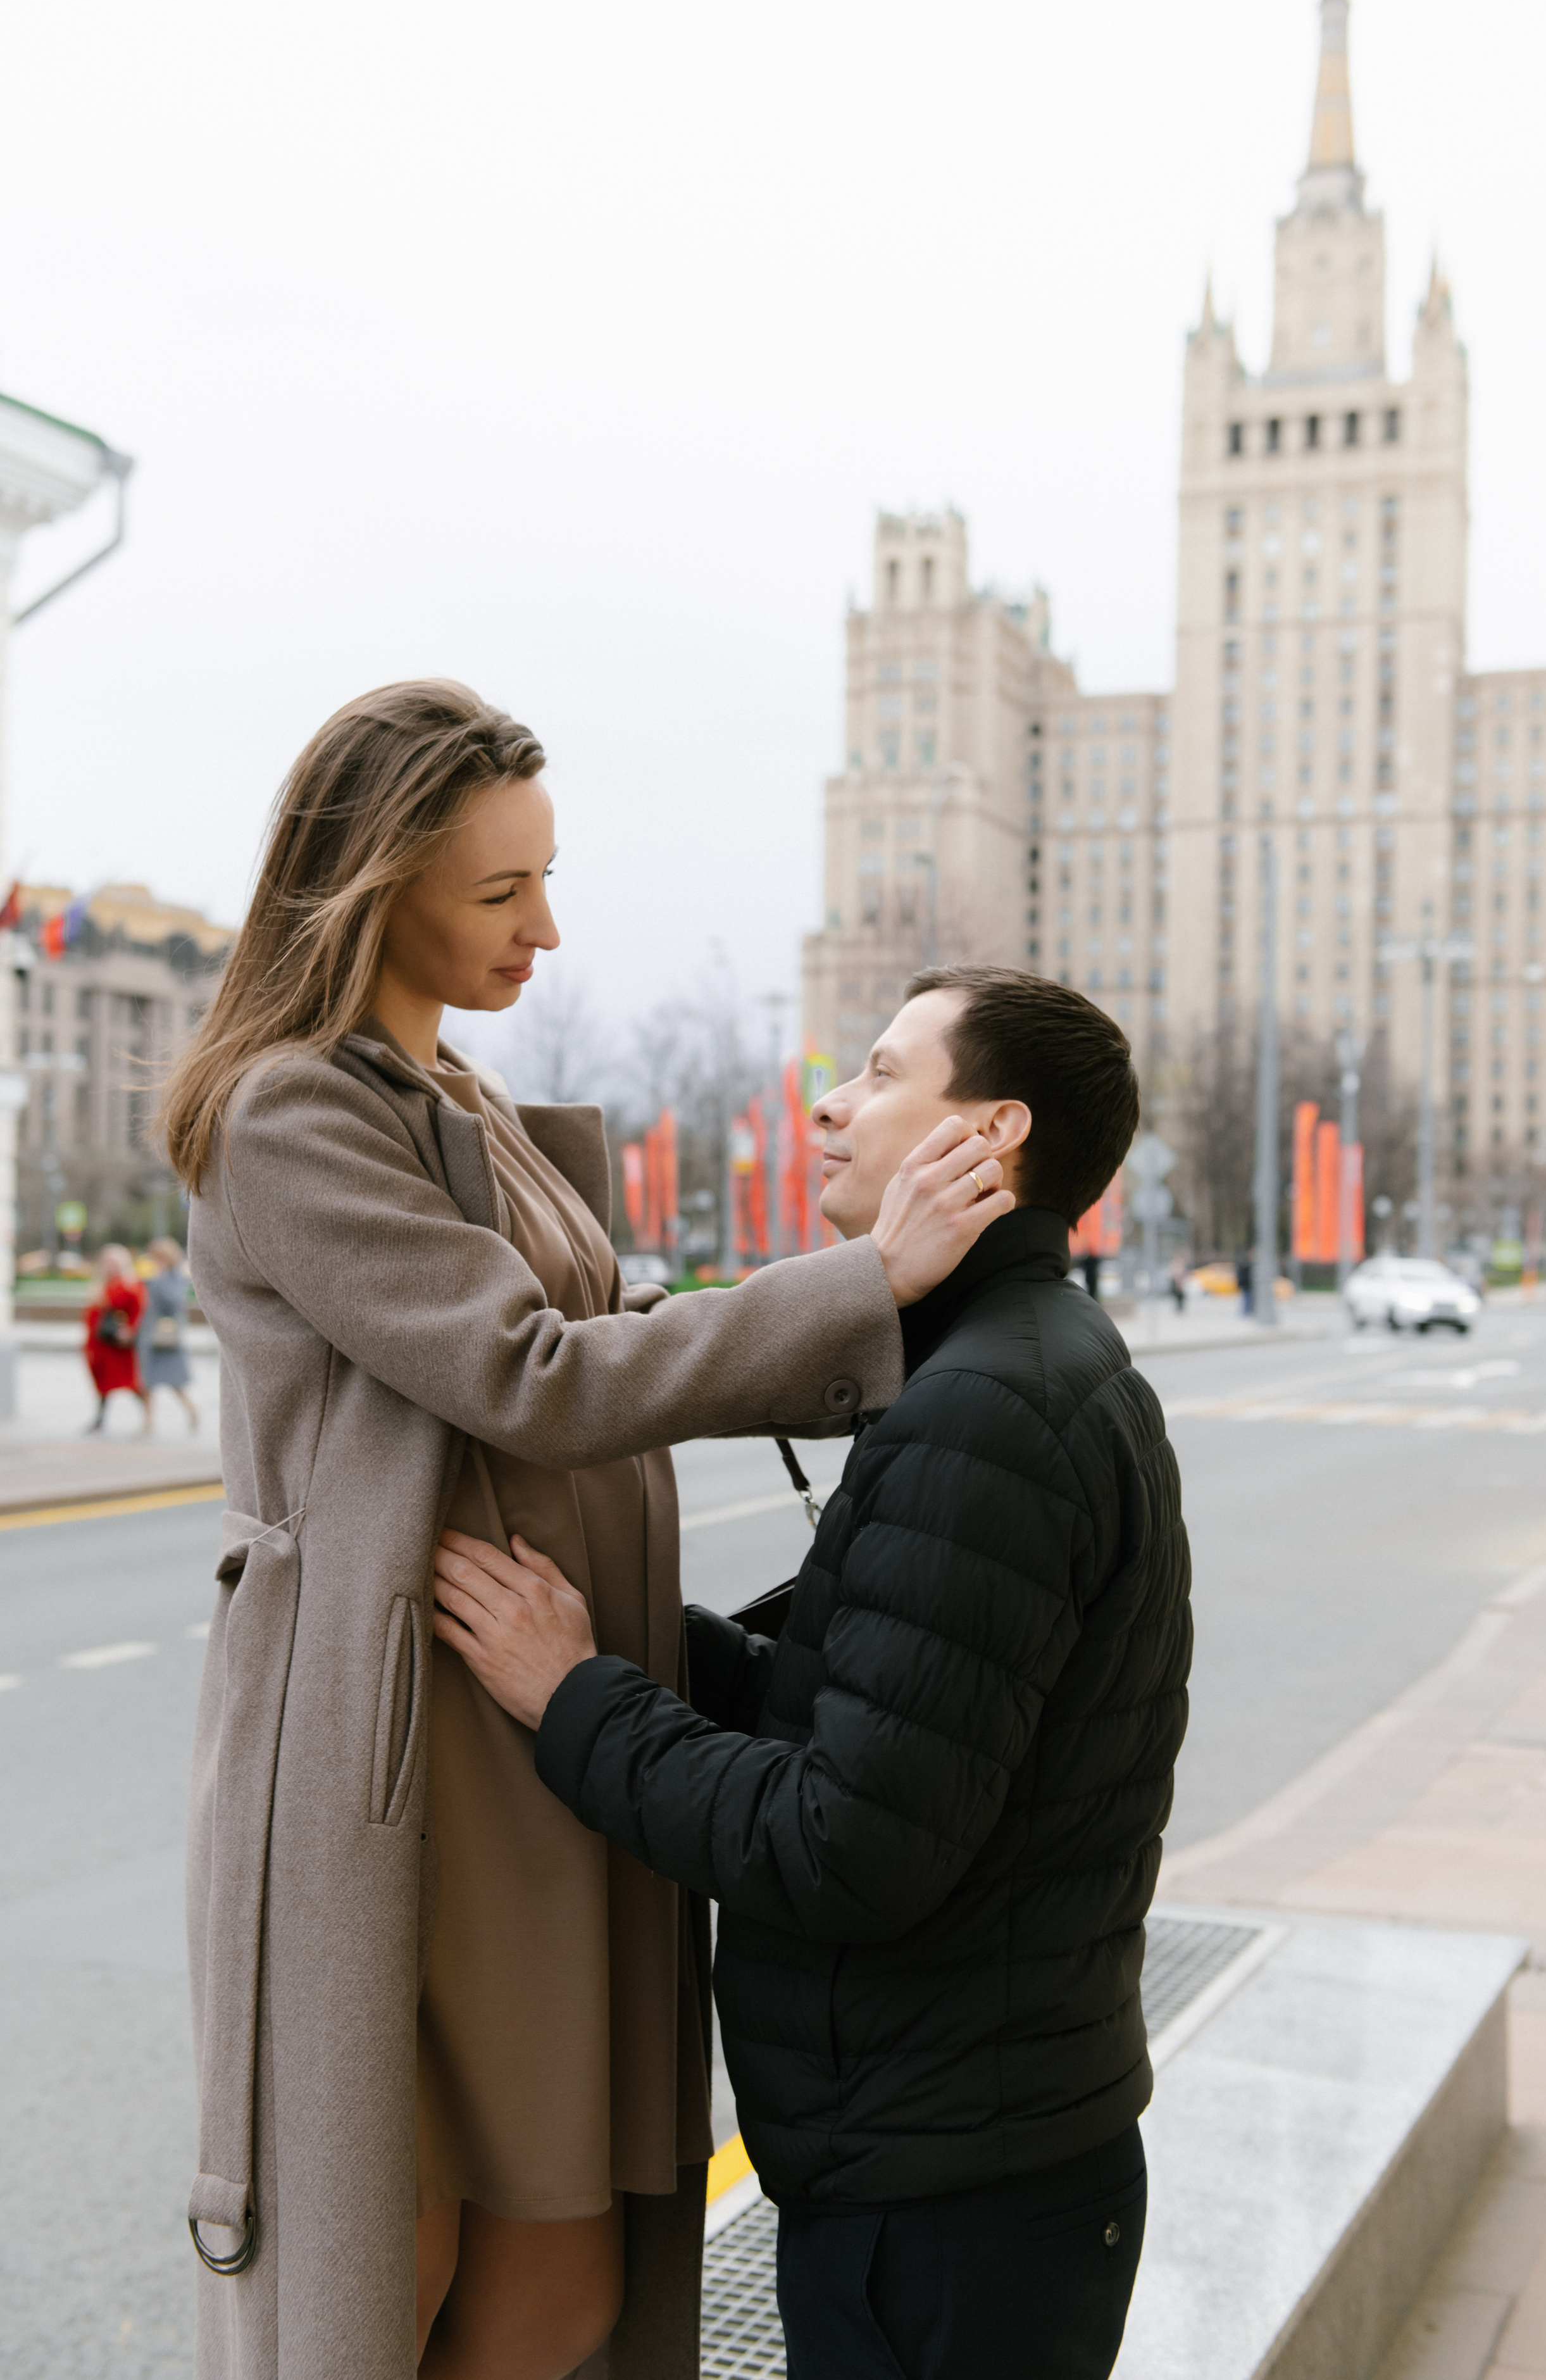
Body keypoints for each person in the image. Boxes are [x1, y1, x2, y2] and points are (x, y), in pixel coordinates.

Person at [161, 679, 1007, 2380]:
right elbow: (529, 1372)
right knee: (382, 2260)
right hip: (392, 1762)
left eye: (546, 877)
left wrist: (858, 1309)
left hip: (538, 1732)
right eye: (500, 893)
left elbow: (616, 1310)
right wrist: (862, 1285)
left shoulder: (453, 1093)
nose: (548, 925)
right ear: (374, 883)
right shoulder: (291, 1109)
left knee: (563, 2281)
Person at [433, 965, 1194, 2380]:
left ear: (991, 1136)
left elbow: (843, 1842)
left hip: (945, 2204)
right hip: (974, 2155)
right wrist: (631, 1643)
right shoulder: (1014, 1362)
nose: (829, 1105)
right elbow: (890, 1707)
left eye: (884, 1075)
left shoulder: (984, 1410)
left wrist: (574, 1698)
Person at [83, 1243, 151, 1433]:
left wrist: (129, 1331)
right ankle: (100, 1419)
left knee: (129, 1382)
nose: (110, 1266)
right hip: (99, 1343)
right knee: (103, 1383)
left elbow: (138, 1310)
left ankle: (148, 1417)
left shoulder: (129, 1284)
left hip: (117, 1344)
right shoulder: (101, 1284)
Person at [137, 1236, 201, 1431]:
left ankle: (192, 1412)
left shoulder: (175, 1276)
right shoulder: (153, 1275)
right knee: (146, 1381)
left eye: (159, 1257)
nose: (155, 1260)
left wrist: (160, 1278)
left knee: (175, 1381)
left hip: (167, 1335)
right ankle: (148, 1421)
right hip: (148, 1334)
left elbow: (173, 1302)